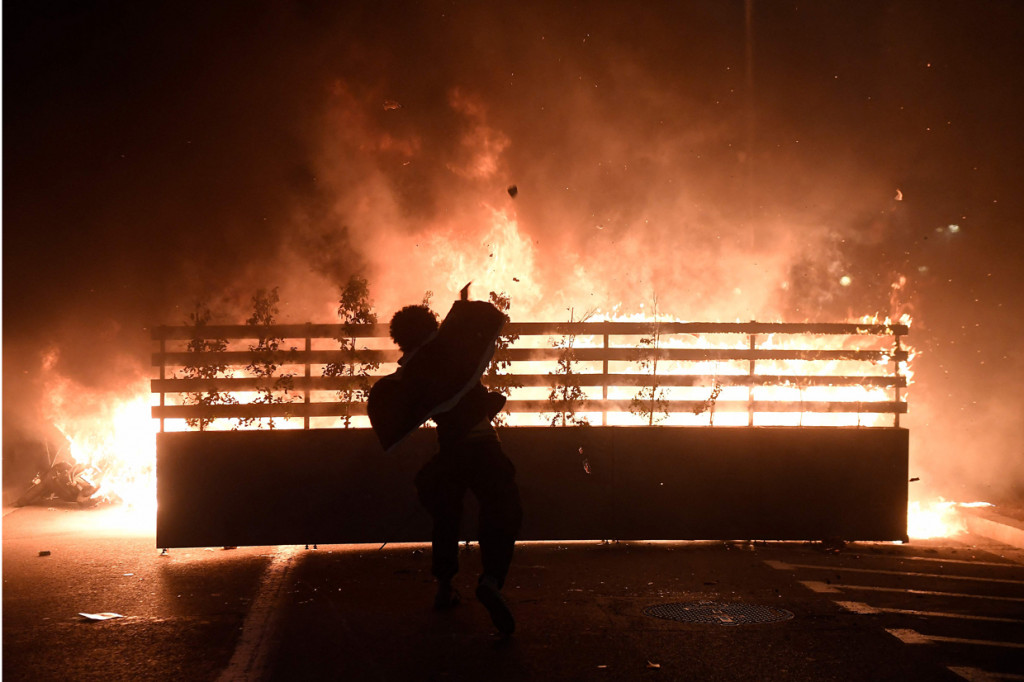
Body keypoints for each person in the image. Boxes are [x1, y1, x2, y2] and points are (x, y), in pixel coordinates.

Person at [388, 304, 522, 636]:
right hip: (484, 446)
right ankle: (491, 580)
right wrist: (490, 402)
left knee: (446, 514)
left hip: (451, 451)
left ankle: (445, 586)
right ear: (433, 327)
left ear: (401, 340)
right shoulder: (453, 353)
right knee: (502, 510)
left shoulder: (414, 373)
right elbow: (468, 396)